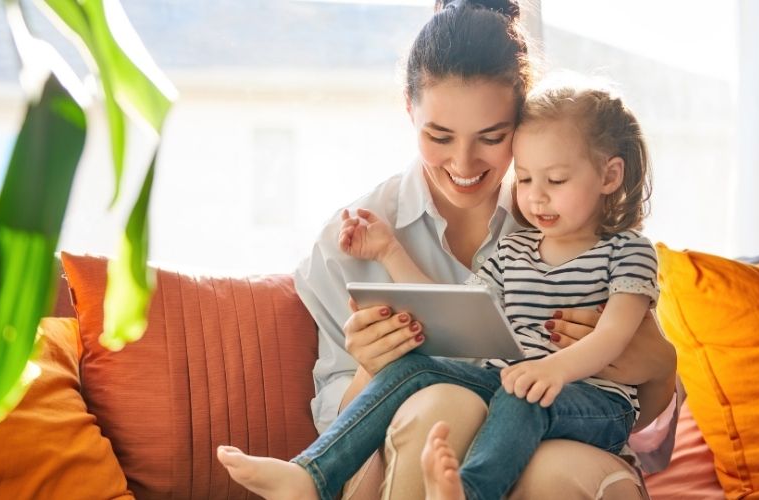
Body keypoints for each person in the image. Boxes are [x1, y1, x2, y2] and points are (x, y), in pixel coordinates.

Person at [218, 1, 679, 498]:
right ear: (409, 110)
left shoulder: (573, 224)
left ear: (523, 121)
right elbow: (454, 313)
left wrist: (660, 366)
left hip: (562, 420)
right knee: (441, 402)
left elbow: (646, 431)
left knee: (548, 460)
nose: (464, 162)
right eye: (439, 136)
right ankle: (310, 475)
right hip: (408, 450)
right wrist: (375, 356)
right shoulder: (353, 240)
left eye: (493, 137)